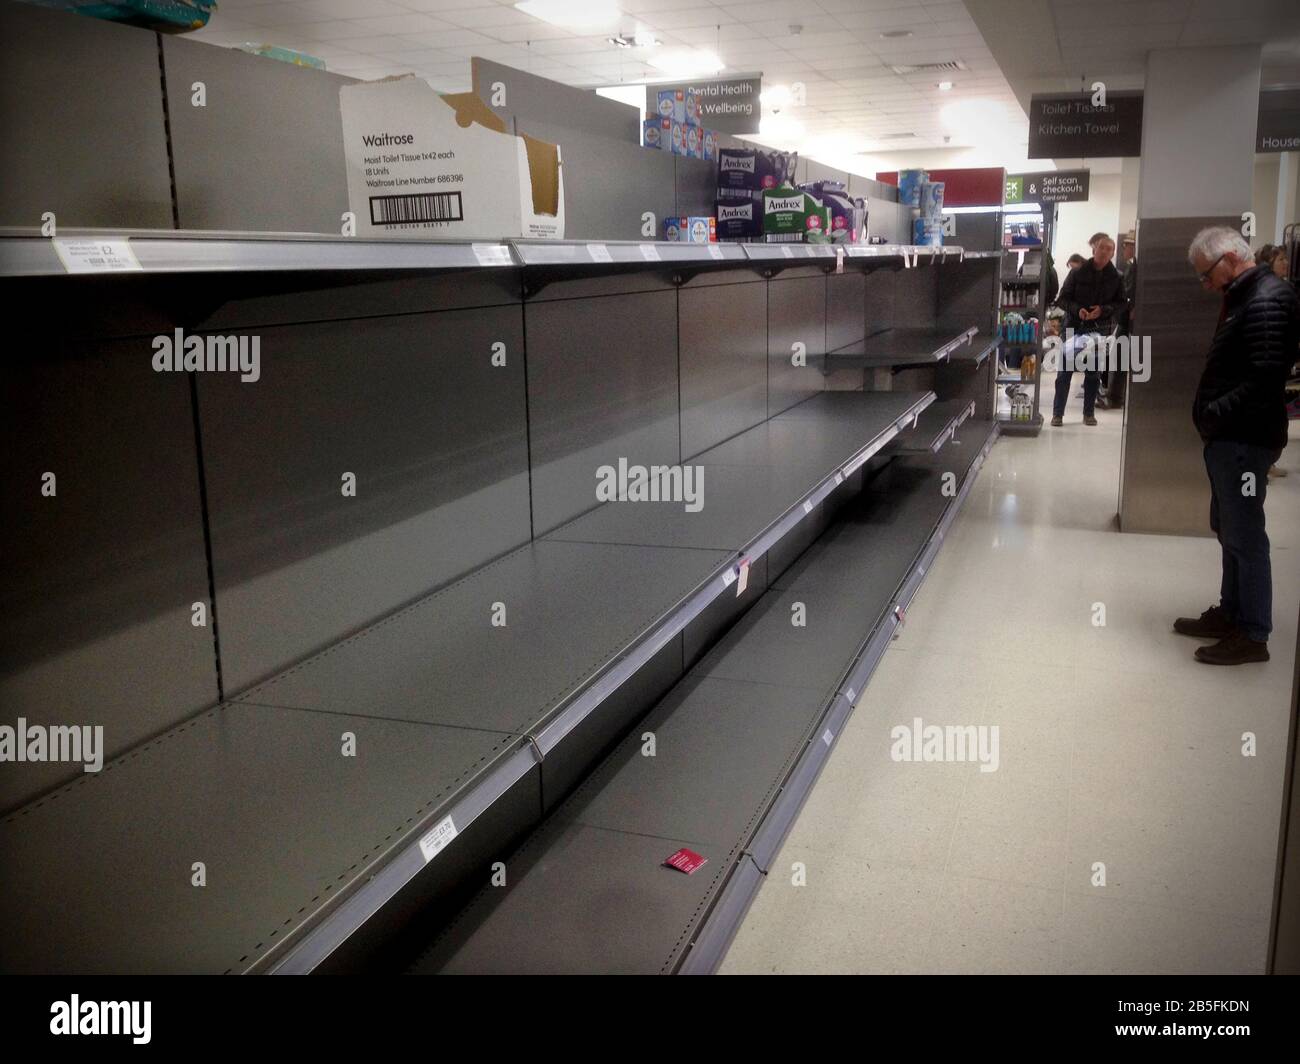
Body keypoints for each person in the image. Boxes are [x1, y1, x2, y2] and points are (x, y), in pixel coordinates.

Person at [1175, 226, 1298, 665]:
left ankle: (1253, 634)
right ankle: (1231, 612)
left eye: (1206, 275)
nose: (1206, 285)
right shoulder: (1248, 295)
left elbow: (1265, 377)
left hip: (1244, 440)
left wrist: (1216, 411)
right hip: (1230, 439)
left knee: (1245, 534)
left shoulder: (1266, 299)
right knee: (1228, 528)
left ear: (1228, 258)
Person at [1051, 234, 1124, 426]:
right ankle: (1058, 414)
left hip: (1098, 329)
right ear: (1093, 250)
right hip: (1072, 327)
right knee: (1064, 373)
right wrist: (1078, 310)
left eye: (1109, 249)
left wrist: (1103, 310)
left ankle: (1088, 414)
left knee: (1093, 373)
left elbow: (1120, 303)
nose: (1105, 252)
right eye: (1102, 248)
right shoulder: (1077, 273)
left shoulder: (1116, 277)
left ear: (1113, 253)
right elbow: (1062, 299)